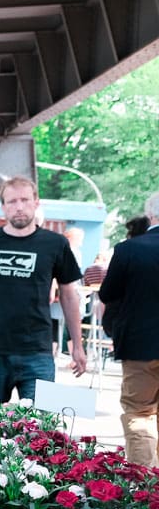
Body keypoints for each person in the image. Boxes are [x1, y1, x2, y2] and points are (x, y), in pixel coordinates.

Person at [0, 176, 86, 405]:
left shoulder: (56, 243)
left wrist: (77, 344)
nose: (19, 207)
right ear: (3, 207)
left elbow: (68, 294)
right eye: (12, 201)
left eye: (25, 200)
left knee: (42, 430)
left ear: (36, 202)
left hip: (38, 350)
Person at [97, 192, 159, 467]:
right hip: (139, 345)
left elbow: (108, 293)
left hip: (140, 347)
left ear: (150, 216)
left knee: (139, 414)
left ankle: (145, 492)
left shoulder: (129, 249)